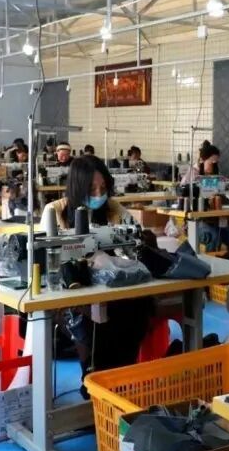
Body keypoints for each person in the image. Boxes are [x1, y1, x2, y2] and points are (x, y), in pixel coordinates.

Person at [40, 155, 148, 385]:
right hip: (70, 293)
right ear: (77, 188)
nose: (99, 194)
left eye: (103, 188)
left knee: (140, 305)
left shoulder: (114, 209)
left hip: (110, 290)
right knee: (87, 315)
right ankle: (94, 378)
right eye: (92, 189)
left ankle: (120, 377)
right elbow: (51, 260)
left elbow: (135, 237)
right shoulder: (55, 212)